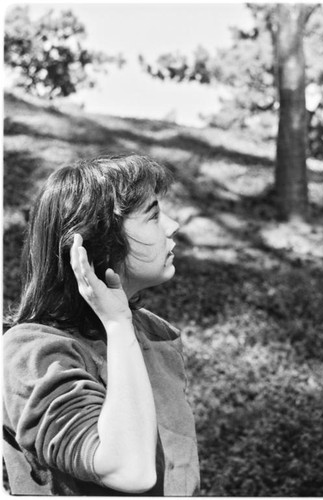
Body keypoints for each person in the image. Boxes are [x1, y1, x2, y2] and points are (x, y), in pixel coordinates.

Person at [3, 154, 200, 496]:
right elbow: (130, 472)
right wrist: (118, 323)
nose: (172, 226)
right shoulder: (31, 353)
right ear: (95, 244)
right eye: (153, 216)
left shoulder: (152, 332)